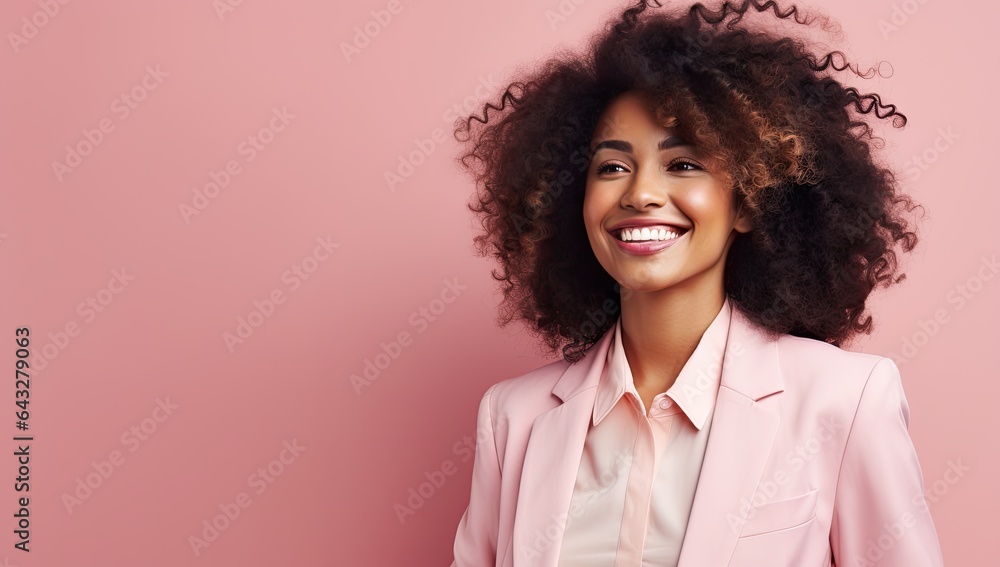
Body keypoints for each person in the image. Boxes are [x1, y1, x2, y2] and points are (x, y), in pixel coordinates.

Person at [448, 0, 945, 565]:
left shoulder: (846, 401)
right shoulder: (514, 418)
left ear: (749, 202)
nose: (640, 193)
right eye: (611, 167)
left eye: (684, 164)